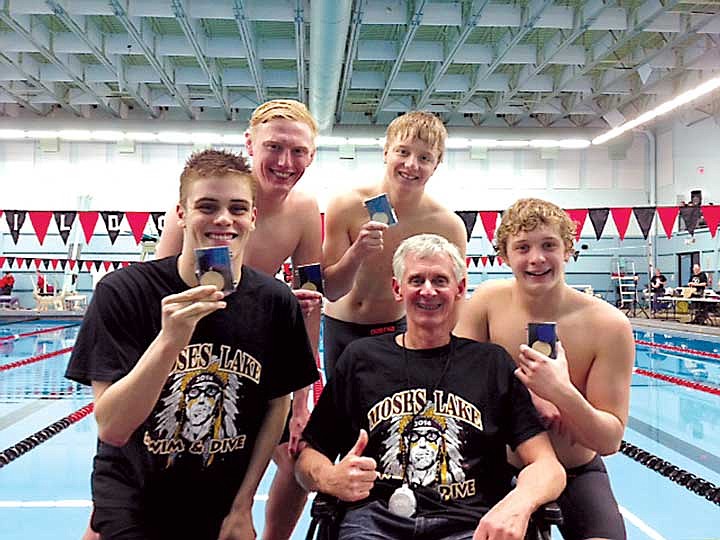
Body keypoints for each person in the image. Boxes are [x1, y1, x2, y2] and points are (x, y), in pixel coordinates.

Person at [65, 149, 319, 540]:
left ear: (253, 217)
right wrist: (169, 340)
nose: (223, 219)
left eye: (237, 208)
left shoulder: (274, 301)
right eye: (207, 206)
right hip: (135, 501)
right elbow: (113, 428)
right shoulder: (123, 293)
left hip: (219, 503)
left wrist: (243, 503)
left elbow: (277, 404)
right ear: (181, 214)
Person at [296, 234, 565, 540]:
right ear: (398, 289)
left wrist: (519, 503)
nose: (428, 291)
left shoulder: (491, 364)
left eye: (440, 280)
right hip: (375, 523)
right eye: (416, 280)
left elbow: (547, 465)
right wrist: (330, 477)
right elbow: (307, 457)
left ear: (460, 289)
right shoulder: (361, 359)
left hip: (471, 524)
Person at [136, 99, 322, 540]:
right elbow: (154, 294)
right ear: (249, 144)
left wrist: (302, 402)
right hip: (190, 355)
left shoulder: (305, 211)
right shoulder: (210, 199)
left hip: (255, 356)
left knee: (298, 459)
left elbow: (309, 310)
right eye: (274, 147)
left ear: (311, 156)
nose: (284, 162)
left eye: (298, 152)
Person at [455, 198, 634, 540]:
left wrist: (562, 394)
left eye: (548, 245)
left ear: (567, 249)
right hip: (497, 469)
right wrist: (529, 398)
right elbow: (457, 383)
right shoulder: (487, 303)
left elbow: (608, 440)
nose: (536, 258)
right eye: (522, 247)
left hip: (576, 469)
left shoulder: (608, 325)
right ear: (504, 256)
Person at [321, 111, 468, 380]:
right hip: (342, 328)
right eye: (403, 152)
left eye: (425, 157)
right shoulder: (346, 206)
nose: (412, 165)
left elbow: (456, 299)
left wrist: (441, 351)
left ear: (436, 165)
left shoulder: (448, 225)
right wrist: (357, 254)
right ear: (386, 152)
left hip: (399, 332)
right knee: (342, 419)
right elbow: (330, 290)